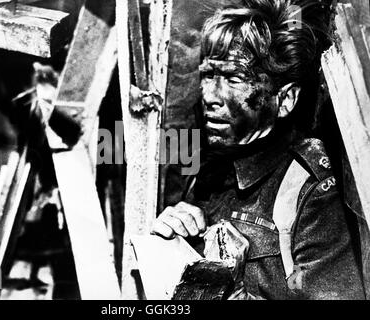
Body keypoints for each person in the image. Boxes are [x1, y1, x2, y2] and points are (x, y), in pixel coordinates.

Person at [151, 0, 366, 299]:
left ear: (286, 99)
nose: (210, 96)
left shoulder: (311, 191)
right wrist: (170, 239)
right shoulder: (208, 172)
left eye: (234, 79)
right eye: (209, 75)